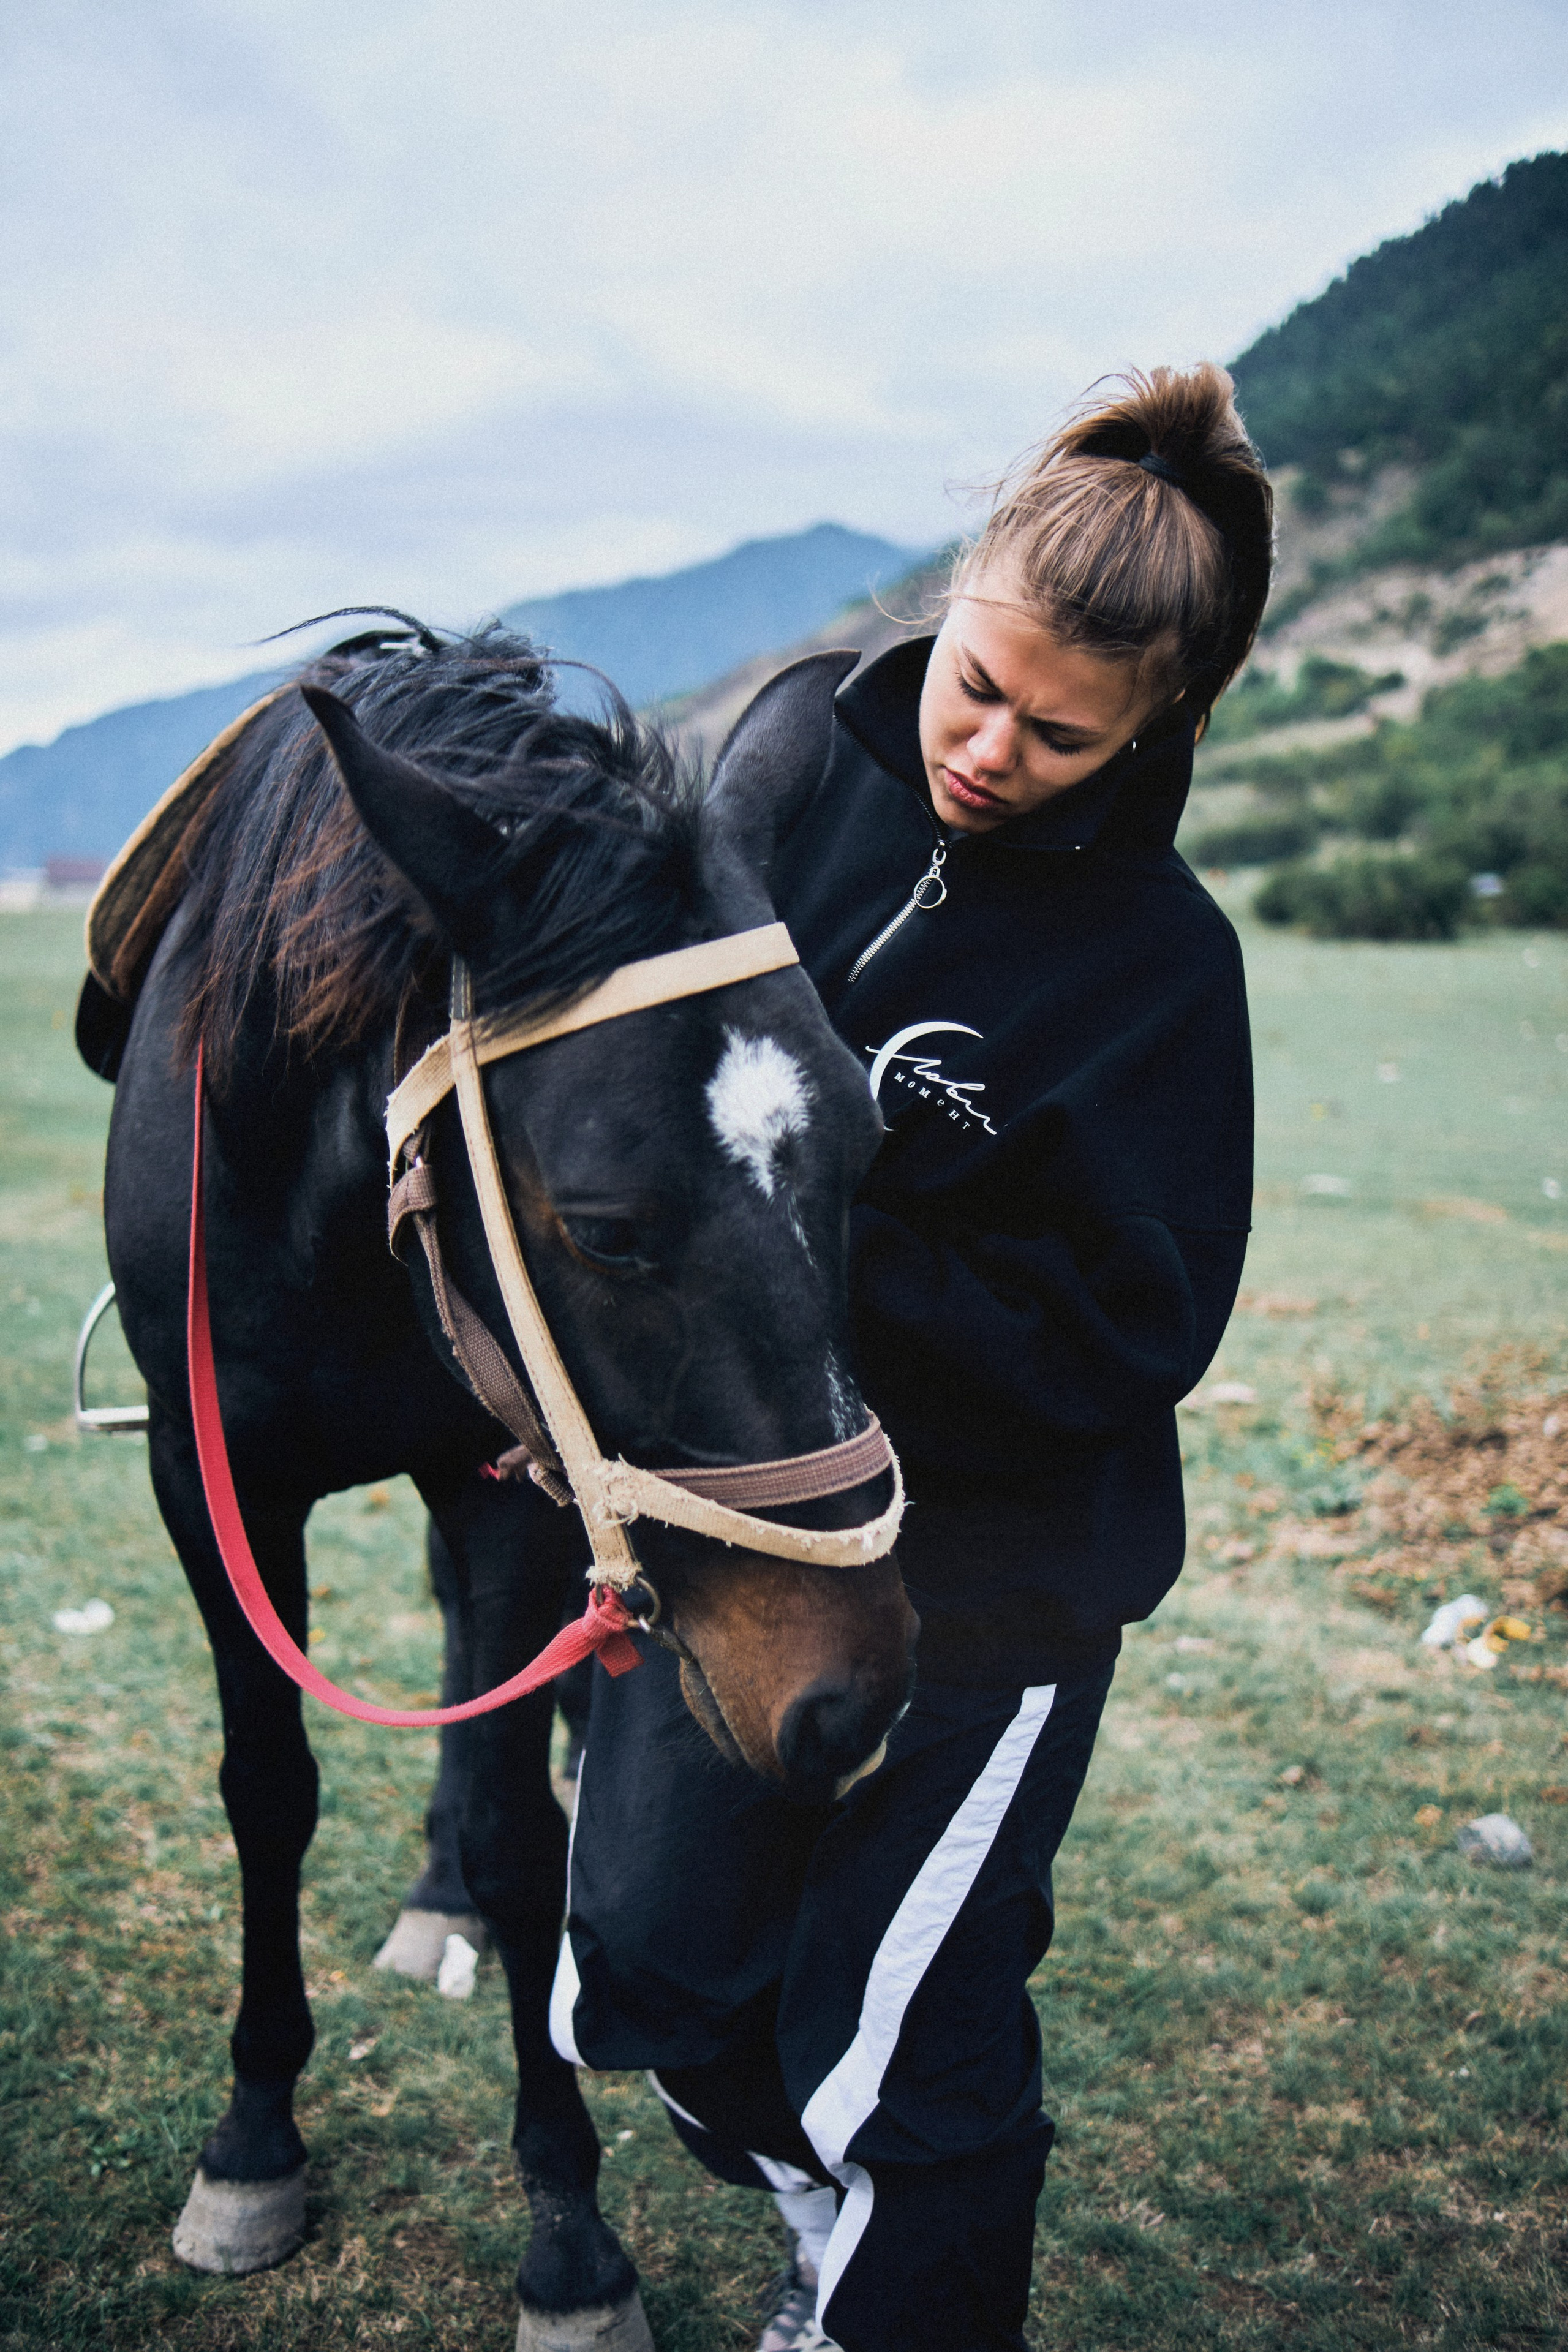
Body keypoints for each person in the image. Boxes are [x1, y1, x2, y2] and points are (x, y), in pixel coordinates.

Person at [551, 364, 1272, 2351]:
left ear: (1162, 722)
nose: (988, 748)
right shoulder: (793, 754)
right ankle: (826, 2207)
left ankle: (885, 2278)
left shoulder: (1159, 967)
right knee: (643, 1963)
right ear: (949, 600)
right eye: (973, 683)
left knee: (904, 2041)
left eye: (1060, 734)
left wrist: (828, 1266)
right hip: (736, 1532)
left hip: (997, 1582)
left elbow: (1139, 1328)